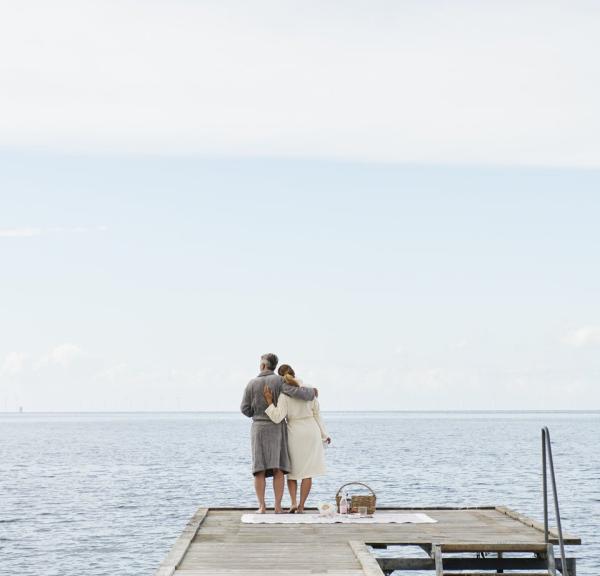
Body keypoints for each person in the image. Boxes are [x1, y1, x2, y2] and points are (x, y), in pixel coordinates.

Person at [240, 353, 317, 513]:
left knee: (259, 469)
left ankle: (262, 506)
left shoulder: (251, 383)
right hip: (277, 428)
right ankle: (277, 507)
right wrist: (312, 392)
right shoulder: (279, 381)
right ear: (274, 366)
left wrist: (257, 412)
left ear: (263, 365)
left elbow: (245, 409)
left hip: (259, 428)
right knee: (278, 469)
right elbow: (297, 392)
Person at [263, 364, 330, 513]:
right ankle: (301, 506)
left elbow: (277, 417)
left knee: (293, 471)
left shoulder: (284, 394)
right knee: (308, 472)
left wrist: (269, 401)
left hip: (294, 432)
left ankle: (293, 503)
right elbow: (317, 414)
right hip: (311, 430)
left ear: (281, 379)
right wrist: (324, 434)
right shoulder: (309, 390)